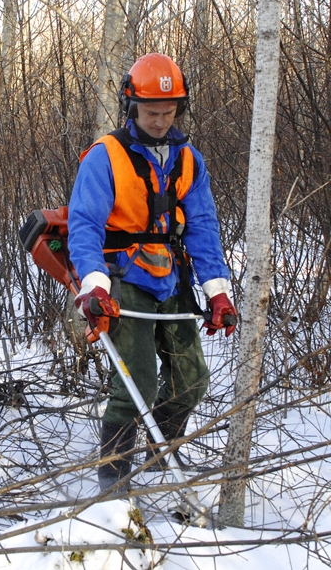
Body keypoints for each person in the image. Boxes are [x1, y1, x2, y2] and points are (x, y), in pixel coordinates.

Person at [66, 53, 238, 492]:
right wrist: (93, 286)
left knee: (192, 378)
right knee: (136, 379)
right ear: (131, 106)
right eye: (151, 112)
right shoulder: (105, 157)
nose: (161, 121)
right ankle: (114, 480)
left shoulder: (189, 160)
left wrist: (217, 291)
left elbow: (202, 227)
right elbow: (84, 225)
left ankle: (161, 454)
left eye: (169, 112)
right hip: (121, 280)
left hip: (172, 280)